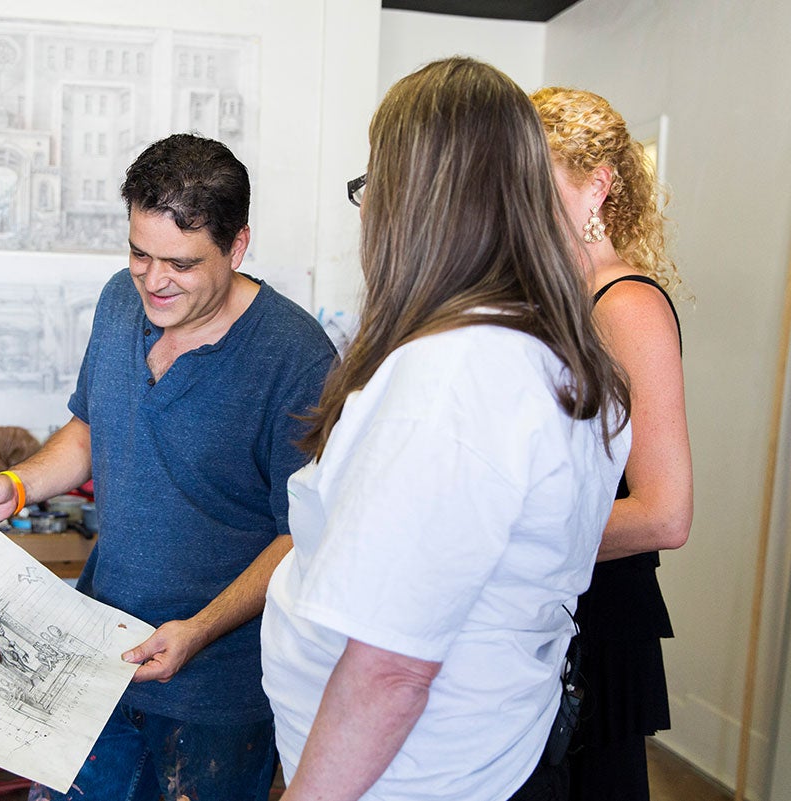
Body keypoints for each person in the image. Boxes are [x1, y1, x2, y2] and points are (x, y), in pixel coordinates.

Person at [260, 57, 633, 801]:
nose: (366, 214)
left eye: (373, 188)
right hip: (486, 752)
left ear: (417, 204)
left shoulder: (458, 375)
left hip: (410, 776)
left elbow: (392, 670)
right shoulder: (545, 352)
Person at [0, 133, 337, 801]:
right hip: (97, 651)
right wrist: (14, 486)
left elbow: (301, 535)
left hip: (218, 692)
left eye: (181, 264)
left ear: (237, 246)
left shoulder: (295, 356)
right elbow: (90, 427)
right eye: (139, 253)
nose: (153, 280)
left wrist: (199, 629)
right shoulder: (117, 300)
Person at [531, 87, 693, 801]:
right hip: (557, 611)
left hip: (601, 623)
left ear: (596, 187)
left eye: (537, 184)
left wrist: (515, 537)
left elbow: (665, 512)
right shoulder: (563, 299)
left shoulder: (626, 305)